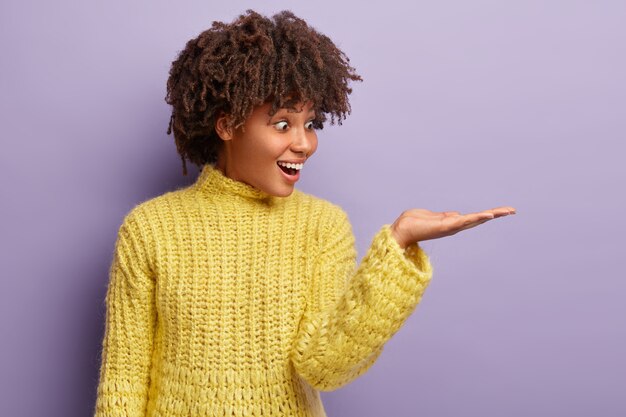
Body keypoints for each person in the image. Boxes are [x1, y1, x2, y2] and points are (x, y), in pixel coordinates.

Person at [92, 9, 516, 417]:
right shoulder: (150, 229)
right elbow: (123, 386)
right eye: (282, 124)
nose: (305, 143)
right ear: (226, 125)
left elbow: (325, 366)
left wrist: (399, 243)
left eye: (310, 123)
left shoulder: (324, 226)